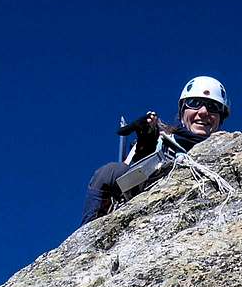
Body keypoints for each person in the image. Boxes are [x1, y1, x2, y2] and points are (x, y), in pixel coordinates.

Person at [80, 76, 231, 225]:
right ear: (182, 112)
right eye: (195, 103)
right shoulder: (164, 138)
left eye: (213, 107)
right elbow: (129, 175)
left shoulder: (230, 149)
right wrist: (146, 143)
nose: (204, 111)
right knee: (109, 172)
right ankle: (87, 232)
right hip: (147, 200)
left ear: (221, 117)